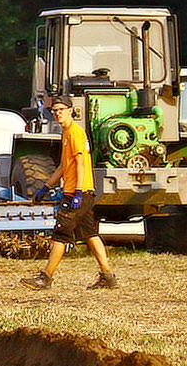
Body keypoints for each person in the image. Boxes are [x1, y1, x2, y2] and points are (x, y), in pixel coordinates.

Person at [23, 96, 118, 291]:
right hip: (79, 192)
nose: (57, 113)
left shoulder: (75, 133)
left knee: (60, 233)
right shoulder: (66, 133)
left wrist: (77, 193)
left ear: (71, 111)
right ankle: (107, 276)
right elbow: (63, 166)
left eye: (61, 109)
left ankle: (46, 278)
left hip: (78, 193)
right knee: (90, 233)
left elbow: (81, 164)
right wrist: (46, 187)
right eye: (54, 110)